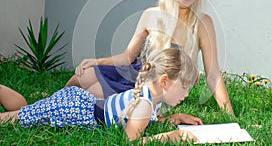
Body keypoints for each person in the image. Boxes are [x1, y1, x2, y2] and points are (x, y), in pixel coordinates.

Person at [66, 0, 234, 113]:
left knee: (95, 91)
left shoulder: (203, 22)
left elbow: (213, 75)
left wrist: (230, 116)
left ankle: (74, 110)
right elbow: (127, 57)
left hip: (162, 86)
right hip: (138, 72)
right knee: (85, 74)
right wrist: (95, 61)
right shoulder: (151, 14)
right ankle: (55, 100)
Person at [1, 48, 202, 144]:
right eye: (184, 87)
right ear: (164, 81)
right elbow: (130, 141)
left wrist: (175, 119)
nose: (186, 95)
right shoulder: (145, 103)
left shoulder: (153, 98)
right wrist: (172, 136)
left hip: (83, 103)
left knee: (25, 110)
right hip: (75, 108)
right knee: (19, 117)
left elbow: (146, 122)